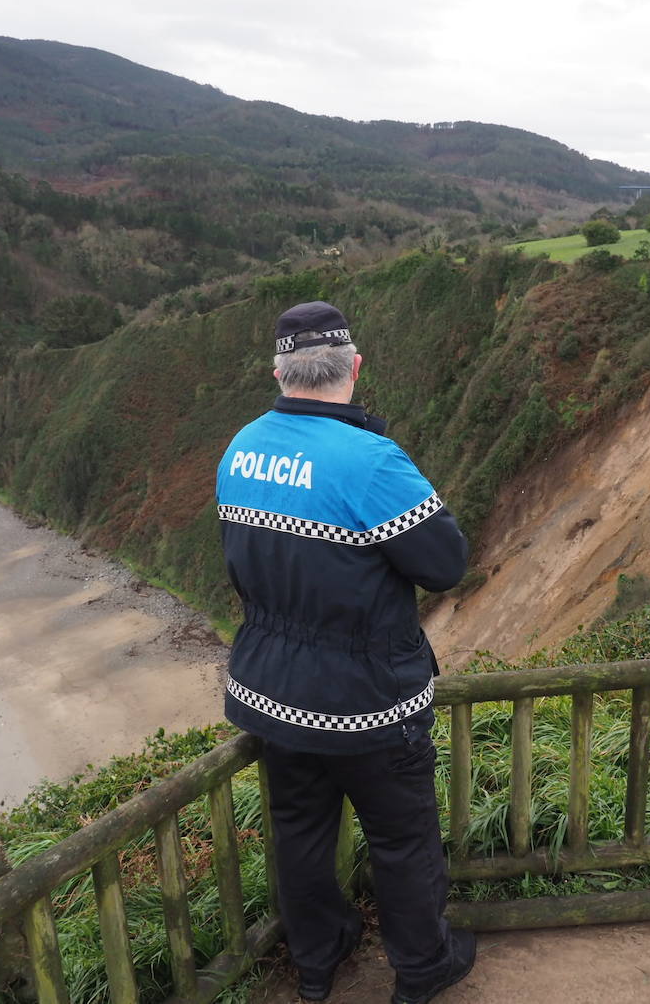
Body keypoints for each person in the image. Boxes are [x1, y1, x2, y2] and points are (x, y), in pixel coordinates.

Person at [216, 301, 476, 1003]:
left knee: (299, 832)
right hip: (368, 701)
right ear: (354, 368)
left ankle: (317, 964)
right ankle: (423, 968)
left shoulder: (241, 448)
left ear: (278, 371)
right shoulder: (369, 460)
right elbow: (446, 562)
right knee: (403, 837)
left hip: (272, 694)